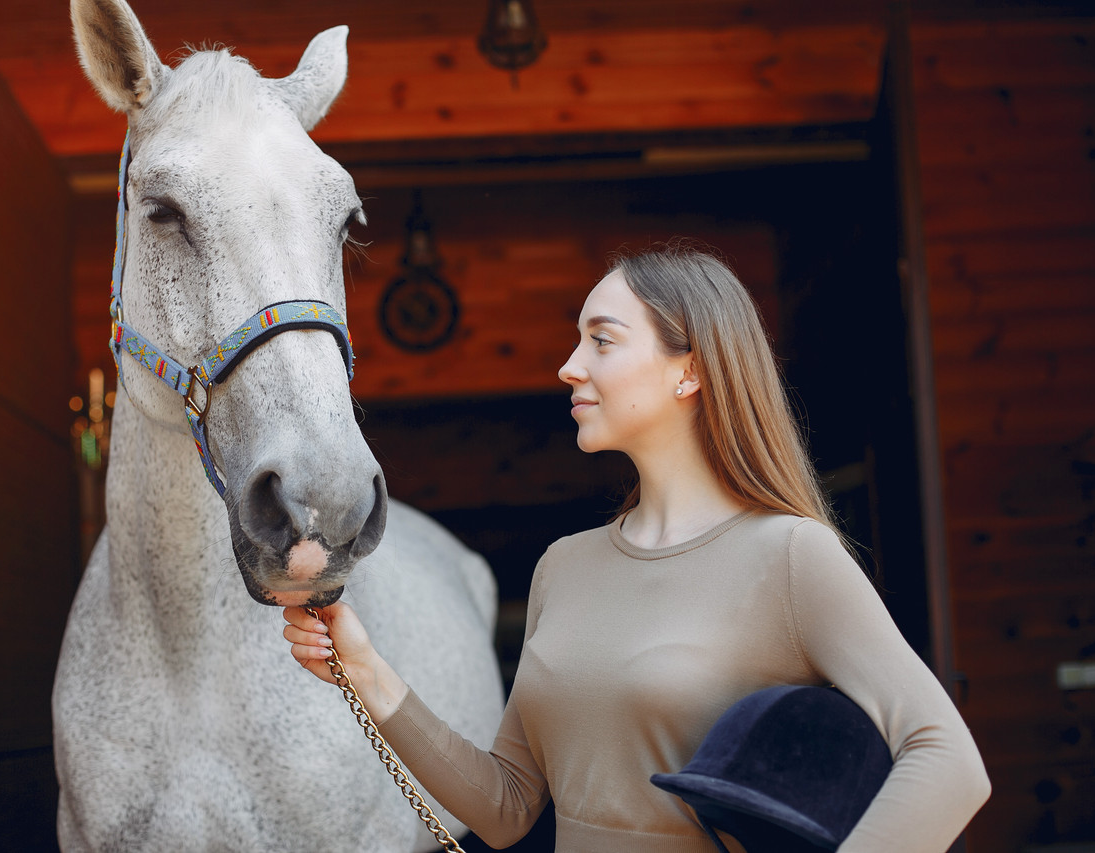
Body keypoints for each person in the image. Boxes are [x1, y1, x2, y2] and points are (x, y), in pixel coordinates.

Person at [283, 243, 991, 852]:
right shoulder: (564, 566)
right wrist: (367, 671)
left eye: (602, 339)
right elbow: (505, 808)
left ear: (690, 370)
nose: (568, 366)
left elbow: (949, 759)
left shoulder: (790, 555)